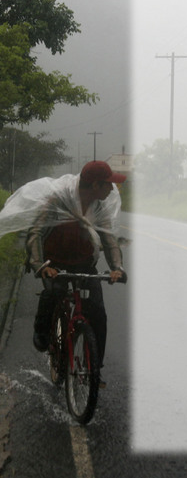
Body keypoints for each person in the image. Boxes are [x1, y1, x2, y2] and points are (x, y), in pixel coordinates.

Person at [22, 160, 128, 380]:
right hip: (54, 263)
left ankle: (94, 366)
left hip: (83, 263)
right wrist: (40, 266)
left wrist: (117, 268)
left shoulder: (98, 206)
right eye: (108, 184)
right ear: (96, 185)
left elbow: (109, 239)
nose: (112, 189)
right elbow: (36, 232)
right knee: (54, 293)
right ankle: (42, 332)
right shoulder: (58, 200)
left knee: (97, 310)